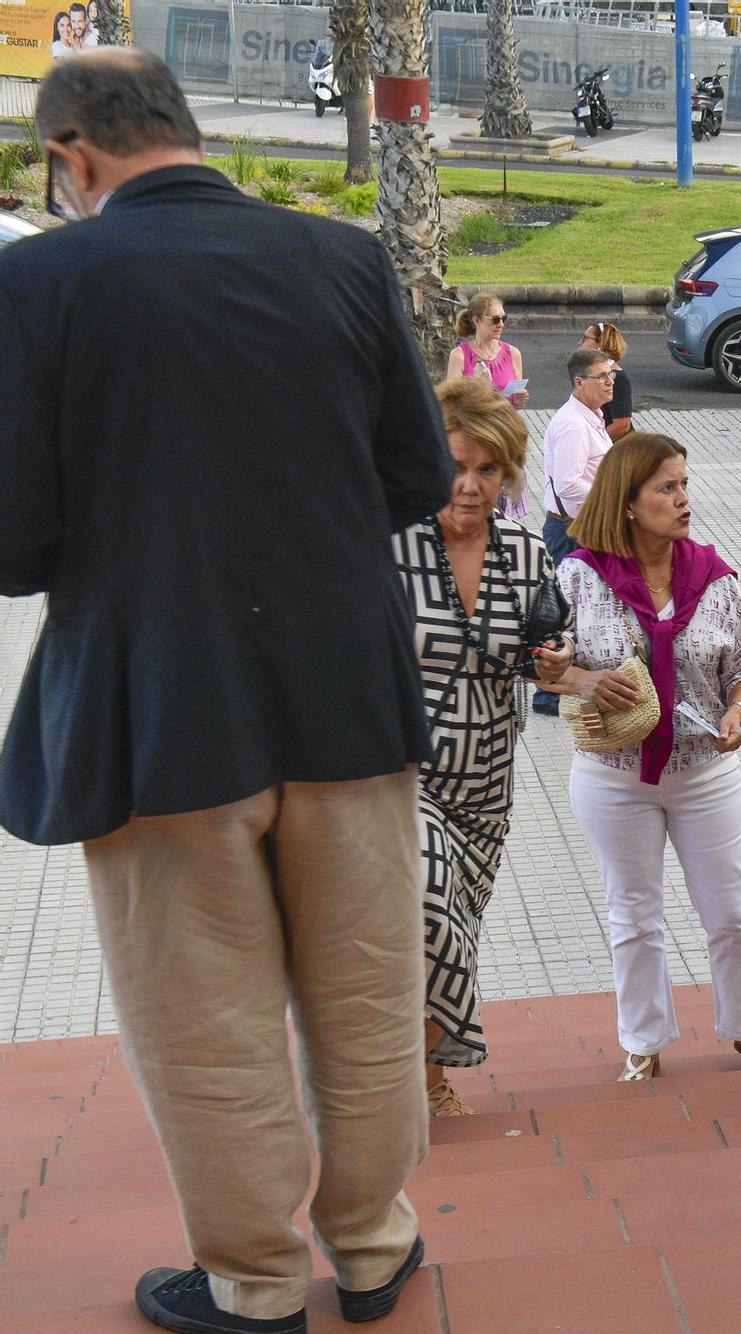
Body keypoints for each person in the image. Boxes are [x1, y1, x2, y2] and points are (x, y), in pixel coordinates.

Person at [0, 51, 450, 1332]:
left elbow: (13, 541)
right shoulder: (341, 257)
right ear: (189, 132)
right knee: (365, 993)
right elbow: (413, 472)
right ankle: (371, 1247)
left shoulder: (34, 281)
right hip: (349, 693)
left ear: (71, 155)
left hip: (158, 706)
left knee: (208, 1020)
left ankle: (254, 1284)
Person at [549, 433, 741, 1078]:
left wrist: (737, 711)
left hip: (704, 770)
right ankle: (643, 1042)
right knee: (633, 913)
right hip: (612, 776)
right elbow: (544, 665)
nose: (684, 500)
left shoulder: (715, 577)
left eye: (685, 484)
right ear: (628, 504)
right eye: (667, 488)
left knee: (732, 911)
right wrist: (579, 679)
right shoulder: (578, 578)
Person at [394, 380, 570, 1118]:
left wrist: (561, 668)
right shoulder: (388, 547)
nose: (469, 486)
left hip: (486, 789)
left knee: (452, 934)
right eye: (454, 465)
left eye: (487, 470)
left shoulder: (528, 555)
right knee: (434, 910)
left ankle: (423, 1076)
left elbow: (540, 650)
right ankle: (413, 1082)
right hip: (404, 779)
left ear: (508, 474)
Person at [532, 347, 619, 714]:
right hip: (571, 529)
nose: (611, 382)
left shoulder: (591, 416)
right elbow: (568, 485)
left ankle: (562, 686)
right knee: (565, 610)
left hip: (583, 526)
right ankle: (550, 693)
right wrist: (613, 497)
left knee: (580, 607)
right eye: (602, 377)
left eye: (612, 375)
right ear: (579, 382)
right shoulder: (572, 424)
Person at [445, 292, 530, 409]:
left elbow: (515, 406)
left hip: (504, 425)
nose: (501, 324)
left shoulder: (513, 353)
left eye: (503, 319)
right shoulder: (459, 356)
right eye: (495, 319)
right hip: (474, 426)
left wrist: (519, 401)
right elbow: (451, 406)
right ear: (476, 321)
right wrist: (476, 386)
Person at [581, 320, 634, 440]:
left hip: (618, 451)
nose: (580, 343)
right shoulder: (594, 373)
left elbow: (622, 425)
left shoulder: (617, 378)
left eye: (586, 338)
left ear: (600, 344)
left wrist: (595, 443)